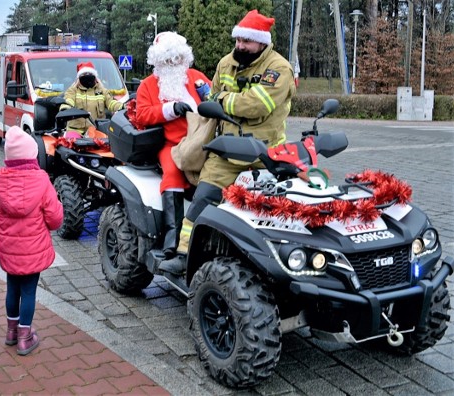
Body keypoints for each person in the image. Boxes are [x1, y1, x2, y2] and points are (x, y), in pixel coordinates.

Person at [159, 10, 296, 275]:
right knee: (203, 200)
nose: (240, 45)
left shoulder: (278, 68)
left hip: (265, 155)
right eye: (238, 40)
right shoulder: (225, 63)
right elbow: (210, 100)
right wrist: (222, 100)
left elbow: (259, 105)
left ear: (262, 42)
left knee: (270, 212)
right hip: (225, 153)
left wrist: (224, 100)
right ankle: (184, 254)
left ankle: (275, 263)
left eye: (247, 41)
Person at [0, 126, 63, 356]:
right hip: (33, 250)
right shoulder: (41, 180)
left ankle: (11, 332)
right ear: (32, 155)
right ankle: (24, 337)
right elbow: (55, 218)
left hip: (9, 250)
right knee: (29, 292)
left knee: (12, 288)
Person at [135, 31, 211, 260]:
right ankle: (173, 238)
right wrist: (170, 110)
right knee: (173, 176)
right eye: (168, 60)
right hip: (172, 144)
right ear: (158, 62)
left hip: (204, 142)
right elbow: (142, 115)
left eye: (177, 59)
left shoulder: (196, 77)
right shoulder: (148, 86)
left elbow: (214, 98)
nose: (173, 64)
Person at [59, 61, 125, 135]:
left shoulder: (102, 91)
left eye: (90, 74)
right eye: (84, 74)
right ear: (79, 78)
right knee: (69, 143)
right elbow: (68, 100)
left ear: (95, 77)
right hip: (75, 130)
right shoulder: (73, 90)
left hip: (96, 130)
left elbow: (111, 103)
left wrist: (123, 106)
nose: (87, 76)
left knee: (104, 144)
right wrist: (65, 109)